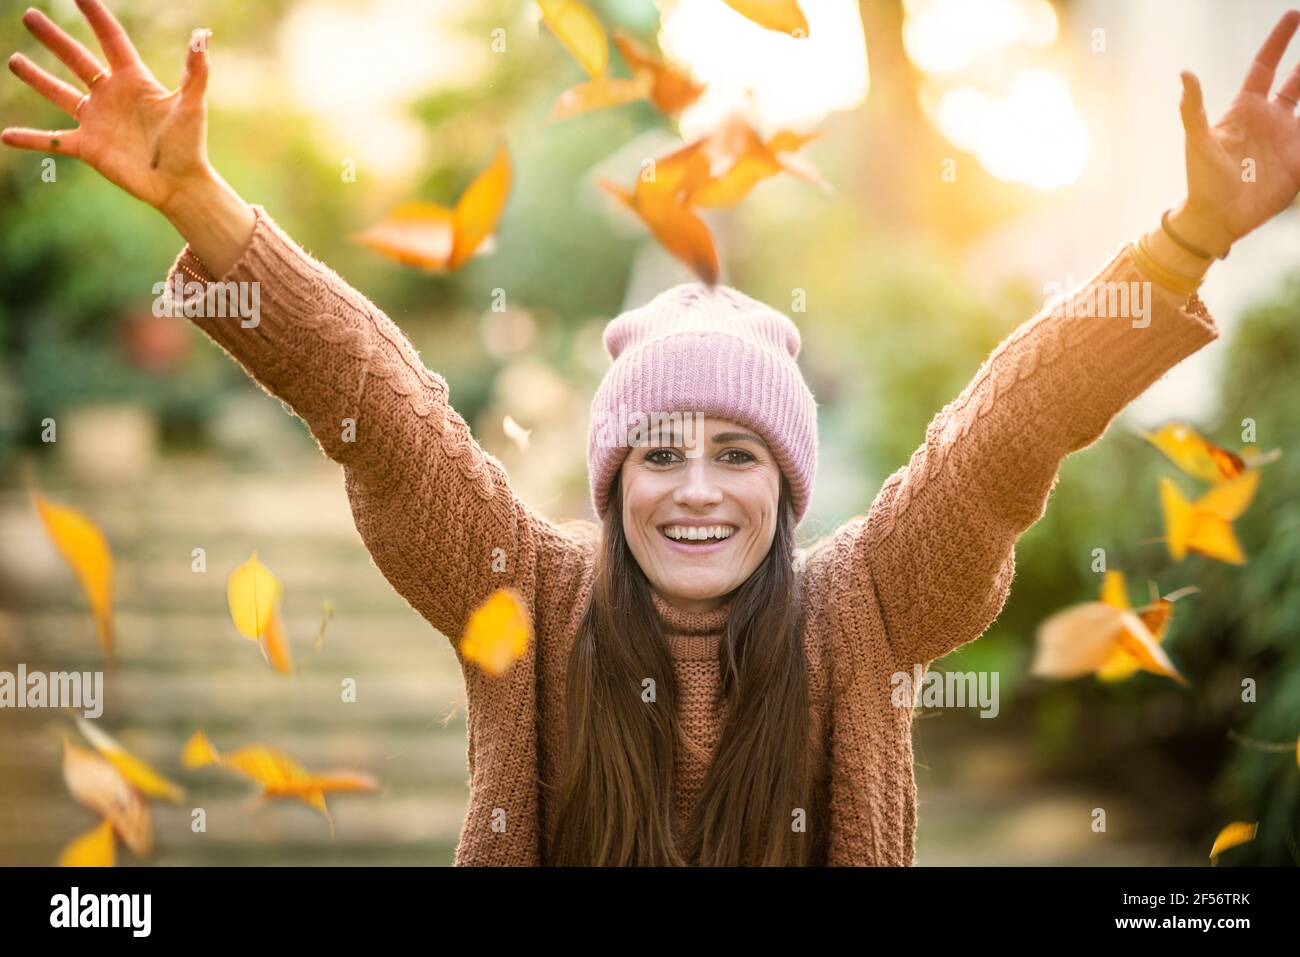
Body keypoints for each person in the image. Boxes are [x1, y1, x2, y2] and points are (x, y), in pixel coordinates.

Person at [6, 0, 1299, 866]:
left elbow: (999, 440)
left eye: (738, 453)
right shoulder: (522, 591)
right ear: (612, 472)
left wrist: (1185, 240)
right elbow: (385, 415)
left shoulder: (868, 605)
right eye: (659, 451)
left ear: (789, 484)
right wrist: (210, 209)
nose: (695, 488)